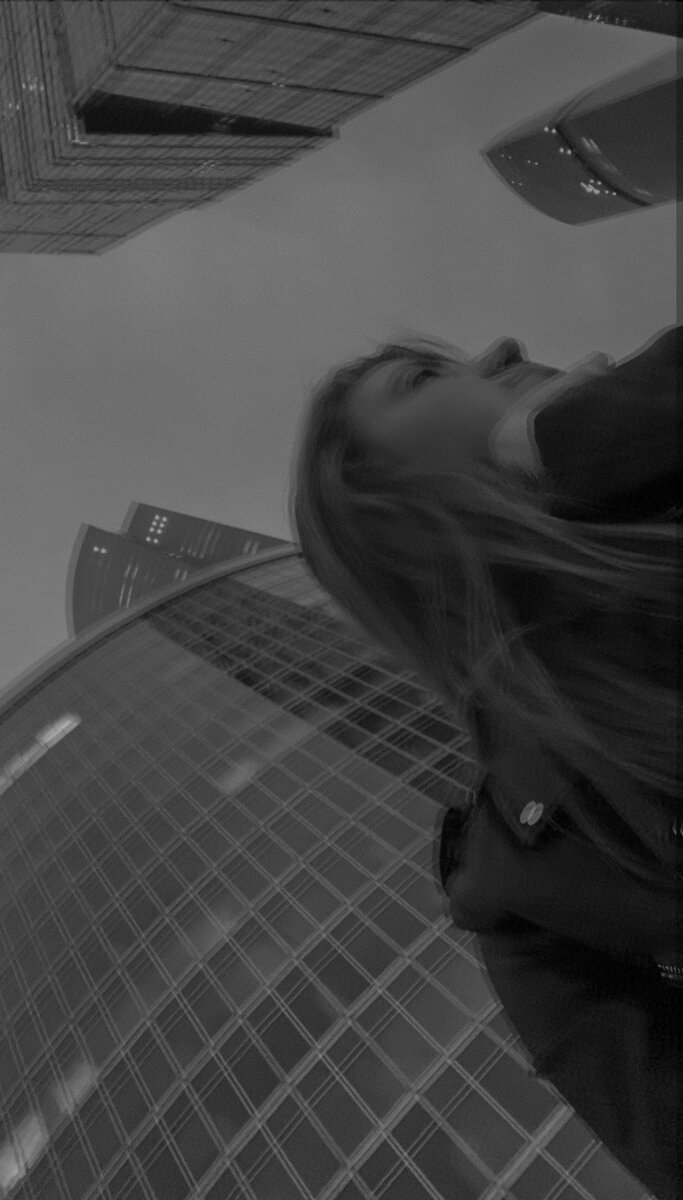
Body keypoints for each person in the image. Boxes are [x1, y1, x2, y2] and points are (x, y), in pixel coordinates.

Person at [288, 324, 681, 1199]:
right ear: (396, 515)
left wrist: (603, 436)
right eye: (424, 376)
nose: (501, 346)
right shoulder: (526, 898)